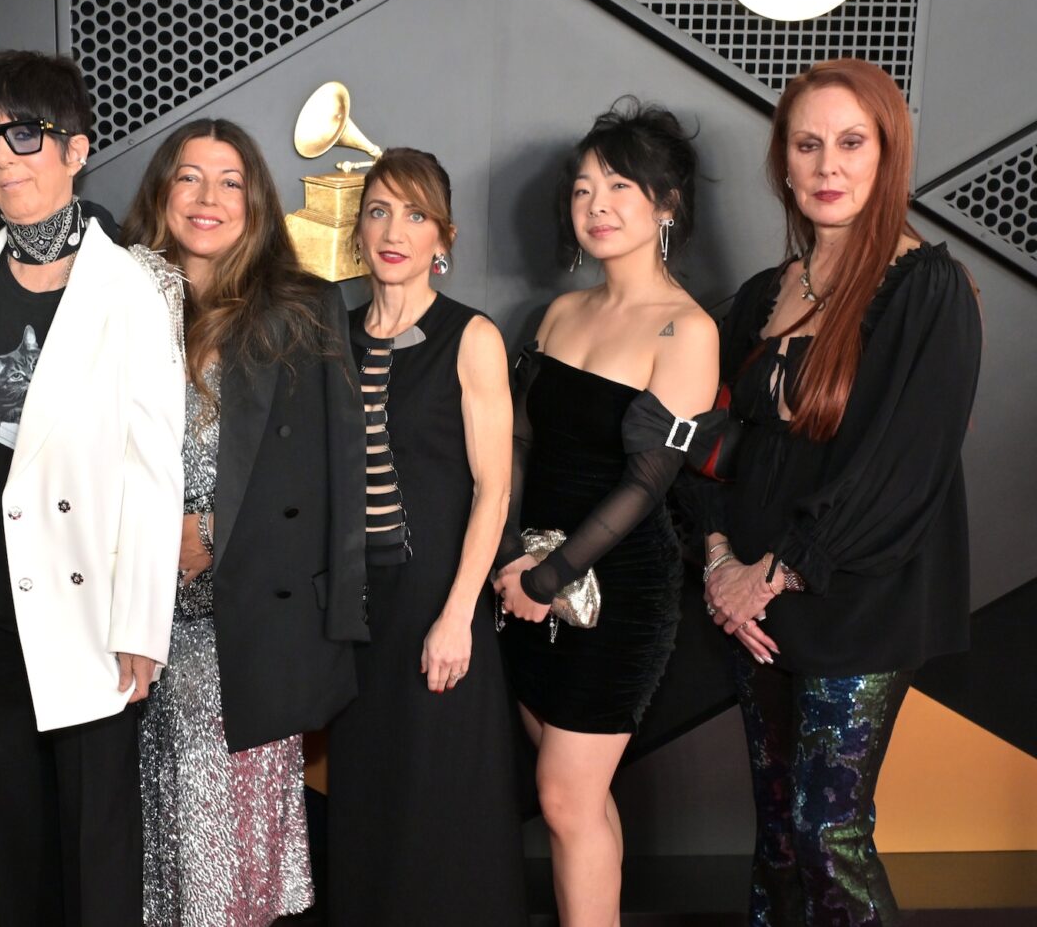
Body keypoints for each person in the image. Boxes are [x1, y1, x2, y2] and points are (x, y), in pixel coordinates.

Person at [0, 50, 185, 926]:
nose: (4, 157)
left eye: (26, 134)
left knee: (94, 845)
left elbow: (155, 468)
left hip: (85, 607)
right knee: (2, 838)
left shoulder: (139, 288)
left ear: (76, 148)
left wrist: (140, 625)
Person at [698, 58, 981, 926]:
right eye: (808, 143)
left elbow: (902, 468)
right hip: (751, 609)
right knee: (780, 834)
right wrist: (719, 567)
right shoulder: (755, 300)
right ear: (783, 161)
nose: (828, 165)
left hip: (858, 602)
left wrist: (771, 573)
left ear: (886, 155)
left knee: (829, 831)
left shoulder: (927, 289)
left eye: (852, 143)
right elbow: (707, 453)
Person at [120, 118, 367, 926]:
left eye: (229, 181)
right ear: (162, 191)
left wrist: (212, 535)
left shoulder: (303, 307)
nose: (208, 198)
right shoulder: (115, 305)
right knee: (145, 853)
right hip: (127, 624)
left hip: (249, 628)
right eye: (189, 177)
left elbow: (329, 476)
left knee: (228, 869)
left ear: (256, 200)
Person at [493, 99, 718, 925]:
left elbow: (646, 484)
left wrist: (550, 575)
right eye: (584, 189)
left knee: (562, 797)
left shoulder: (685, 330)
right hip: (526, 580)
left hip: (615, 591)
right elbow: (520, 449)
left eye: (620, 186)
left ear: (666, 205)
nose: (597, 206)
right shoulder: (559, 314)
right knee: (577, 804)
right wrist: (509, 559)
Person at [327, 148, 528, 926]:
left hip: (439, 602)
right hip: (356, 615)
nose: (393, 229)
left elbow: (495, 487)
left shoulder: (470, 336)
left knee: (444, 809)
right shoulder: (332, 335)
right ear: (357, 229)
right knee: (370, 800)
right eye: (378, 210)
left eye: (414, 214)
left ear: (442, 236)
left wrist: (457, 614)